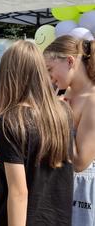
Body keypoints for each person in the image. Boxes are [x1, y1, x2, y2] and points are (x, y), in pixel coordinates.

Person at [0, 40, 73, 226]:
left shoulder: (8, 121)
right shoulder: (63, 113)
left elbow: (18, 193)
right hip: (58, 218)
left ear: (7, 75)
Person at [44, 35, 95, 226]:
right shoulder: (67, 93)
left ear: (70, 61)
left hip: (84, 199)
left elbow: (81, 163)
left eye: (50, 69)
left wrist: (62, 116)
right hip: (62, 187)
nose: (49, 78)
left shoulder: (92, 100)